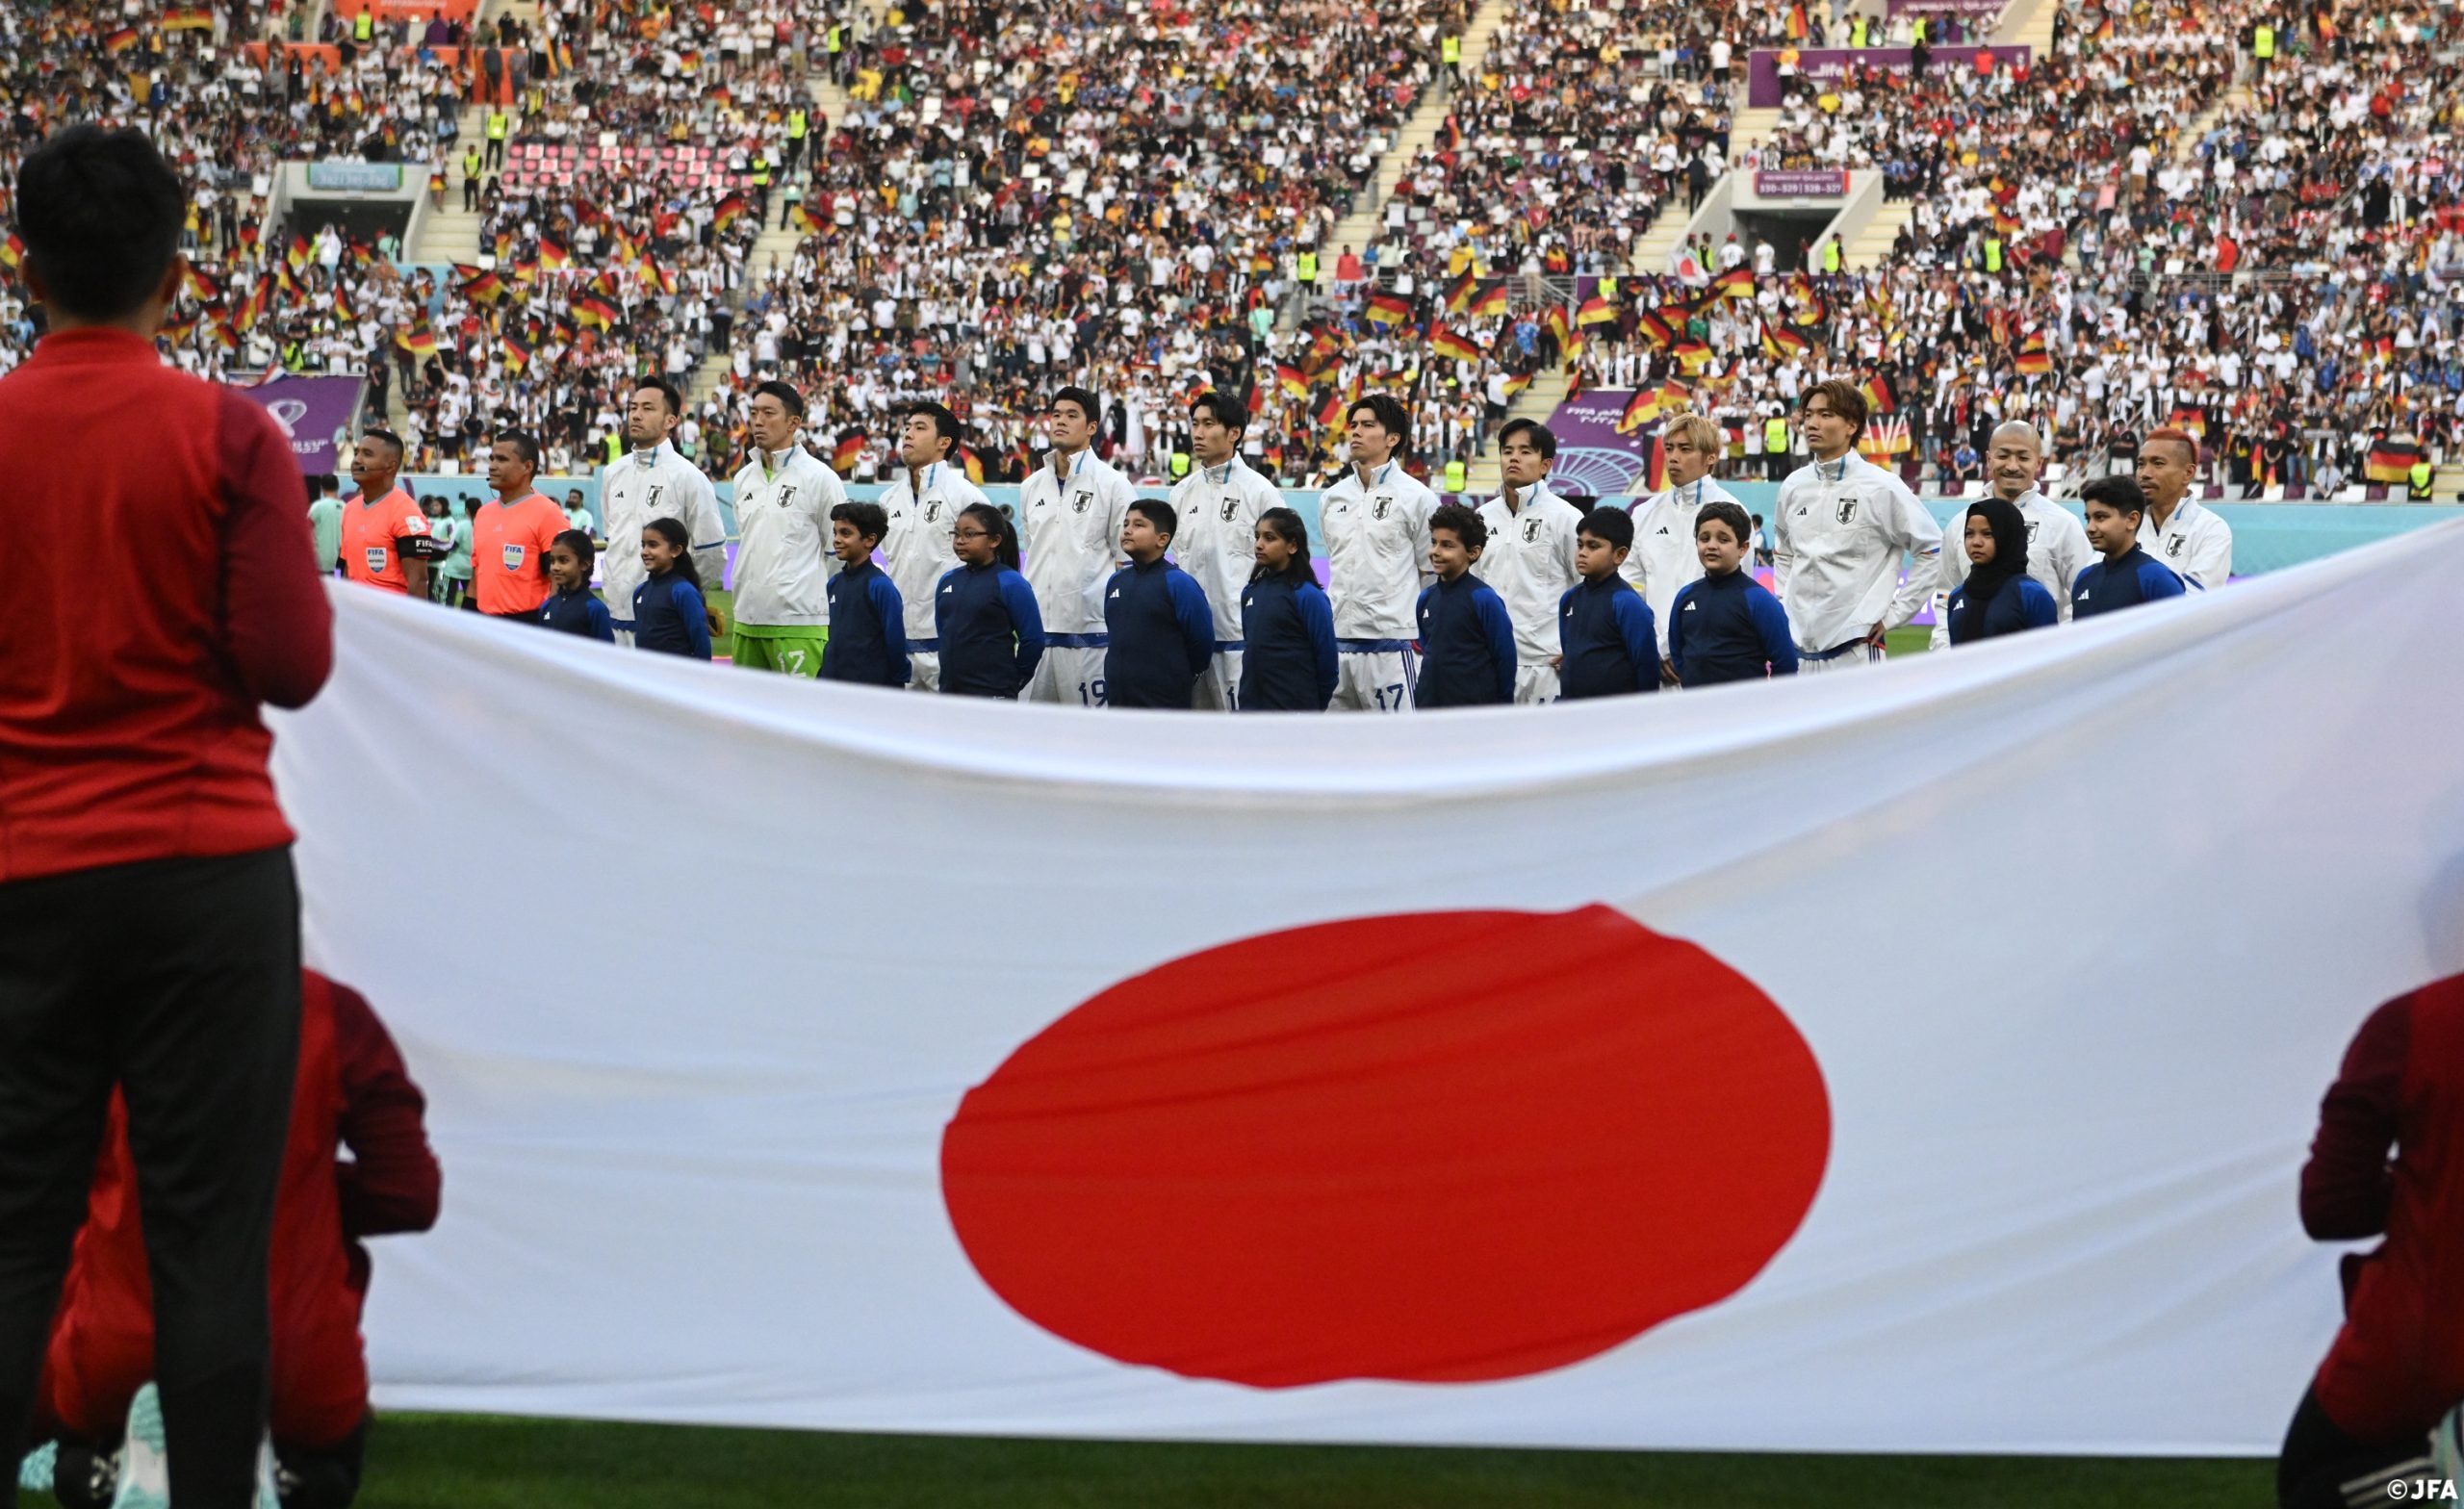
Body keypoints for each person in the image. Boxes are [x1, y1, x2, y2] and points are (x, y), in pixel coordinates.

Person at [0, 122, 332, 1509]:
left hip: (21, 872)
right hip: (205, 870)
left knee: (15, 1242)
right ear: (178, 273)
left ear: (26, 267)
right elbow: (292, 665)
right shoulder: (230, 433)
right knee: (208, 1245)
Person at [36, 969, 439, 1509]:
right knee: (329, 1464)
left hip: (124, 1342)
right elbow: (409, 1194)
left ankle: (114, 1467)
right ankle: (281, 1473)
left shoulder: (89, 1014)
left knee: (70, 1454)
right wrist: (301, 1190)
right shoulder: (334, 1014)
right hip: (289, 1351)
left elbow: (43, 1184)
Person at [2279, 971, 2464, 1508]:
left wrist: (2420, 1191)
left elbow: (2330, 1207)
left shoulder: (2414, 1025)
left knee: (2318, 1492)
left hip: (2420, 1361)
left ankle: (2448, 1484)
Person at [1769, 379, 1942, 672]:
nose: (1812, 423)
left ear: (1851, 425)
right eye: (1809, 414)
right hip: (1797, 652)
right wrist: (1784, 604)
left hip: (1856, 653)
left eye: (1825, 415)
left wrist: (1894, 615)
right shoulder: (1793, 486)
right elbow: (1784, 553)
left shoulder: (1882, 486)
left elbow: (1934, 549)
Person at [1321, 395, 1437, 711]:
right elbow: (1338, 559)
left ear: (1393, 438)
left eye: (1367, 425)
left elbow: (1433, 573)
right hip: (1337, 644)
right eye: (1353, 424)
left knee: (1398, 751)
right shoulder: (1332, 498)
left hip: (1392, 647)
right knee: (1334, 752)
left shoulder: (1418, 498)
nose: (1355, 431)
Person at [1929, 422, 2092, 648]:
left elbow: (2084, 597)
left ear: (2039, 462)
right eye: (2003, 456)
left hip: (2036, 667)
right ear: (1988, 459)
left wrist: (2058, 651)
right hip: (1969, 670)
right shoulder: (1960, 525)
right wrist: (1943, 651)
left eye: (2023, 458)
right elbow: (1946, 595)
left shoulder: (2064, 524)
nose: (2012, 466)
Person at [1019, 388, 1132, 706]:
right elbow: (1035, 550)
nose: (1061, 421)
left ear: (1092, 427)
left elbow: (1126, 563)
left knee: (1091, 743)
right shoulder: (1030, 487)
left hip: (1091, 640)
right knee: (1027, 745)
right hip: (1037, 636)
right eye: (1056, 415)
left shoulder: (1113, 485)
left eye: (1072, 415)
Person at [1167, 391, 1277, 710]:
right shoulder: (1181, 493)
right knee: (1192, 748)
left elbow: (1281, 567)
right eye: (1195, 423)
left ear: (1234, 433)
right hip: (1188, 645)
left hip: (1239, 645)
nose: (1198, 432)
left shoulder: (1260, 492)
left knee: (1241, 745)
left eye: (1209, 424)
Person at [600, 377, 726, 648]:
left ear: (671, 421)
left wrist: (678, 598)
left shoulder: (689, 477)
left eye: (647, 408)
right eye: (633, 407)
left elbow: (712, 553)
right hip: (614, 620)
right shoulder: (613, 474)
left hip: (664, 625)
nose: (636, 414)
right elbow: (613, 541)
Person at [728, 380, 841, 678]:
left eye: (768, 413)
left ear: (793, 423)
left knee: (802, 718)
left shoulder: (821, 479)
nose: (758, 421)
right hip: (747, 620)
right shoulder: (743, 479)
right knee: (747, 720)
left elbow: (838, 554)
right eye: (754, 413)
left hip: (799, 624)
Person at [879, 401, 990, 694]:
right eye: (907, 428)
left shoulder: (966, 496)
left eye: (919, 428)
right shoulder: (888, 501)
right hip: (899, 646)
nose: (907, 435)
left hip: (951, 646)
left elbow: (989, 568)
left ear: (944, 443)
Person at [1472, 419, 1583, 704]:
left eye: (1525, 451)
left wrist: (1578, 649)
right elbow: (1470, 589)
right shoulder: (1480, 519)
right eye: (1507, 450)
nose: (1513, 458)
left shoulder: (1566, 518)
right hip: (1489, 663)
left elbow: (1588, 589)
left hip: (1547, 665)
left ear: (1545, 464)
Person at [1621, 413, 1727, 686]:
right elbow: (1631, 590)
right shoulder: (1644, 514)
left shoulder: (1732, 513)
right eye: (1669, 448)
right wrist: (1650, 649)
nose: (1673, 456)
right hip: (1650, 663)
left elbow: (1733, 594)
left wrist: (1680, 649)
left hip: (1708, 664)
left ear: (1711, 457)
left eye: (1685, 448)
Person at [1101, 499, 1216, 710]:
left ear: (1162, 539)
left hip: (1164, 706)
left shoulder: (1179, 583)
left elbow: (1202, 642)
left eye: (1138, 525)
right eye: (1126, 524)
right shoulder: (1116, 581)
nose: (1127, 530)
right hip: (1118, 704)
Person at [1670, 500, 1799, 687]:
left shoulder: (1759, 600)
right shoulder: (1686, 596)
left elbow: (1785, 663)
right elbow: (1678, 654)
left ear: (1743, 548)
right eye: (1704, 538)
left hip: (1746, 712)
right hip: (1695, 711)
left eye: (1723, 539)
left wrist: (1769, 706)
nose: (1712, 546)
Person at [936, 502, 1045, 700]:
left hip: (993, 694)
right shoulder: (947, 580)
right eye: (956, 534)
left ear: (994, 540)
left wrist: (1014, 680)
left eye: (969, 534)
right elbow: (943, 632)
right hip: (950, 694)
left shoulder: (1011, 582)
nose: (959, 541)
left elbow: (1033, 640)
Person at [1412, 503, 1516, 709]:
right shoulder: (1425, 598)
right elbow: (1429, 650)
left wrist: (1503, 711)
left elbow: (1505, 659)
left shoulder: (1484, 599)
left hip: (1473, 717)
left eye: (1447, 545)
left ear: (1473, 552)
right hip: (1429, 712)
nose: (1435, 551)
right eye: (1434, 542)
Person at [1237, 507, 1338, 713]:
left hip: (1294, 713)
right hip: (1252, 711)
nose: (1259, 544)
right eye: (1257, 537)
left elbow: (1327, 663)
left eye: (1269, 538)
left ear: (1292, 546)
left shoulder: (1308, 596)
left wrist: (1312, 708)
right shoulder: (1250, 592)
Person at [1557, 508, 1660, 701]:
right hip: (1573, 714)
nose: (1582, 553)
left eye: (1593, 546)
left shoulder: (1627, 603)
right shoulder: (1569, 599)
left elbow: (1647, 666)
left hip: (1616, 719)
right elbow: (1569, 652)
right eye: (1580, 545)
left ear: (1619, 555)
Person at [471, 432, 566, 621]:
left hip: (527, 624)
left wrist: (550, 623)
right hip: (484, 624)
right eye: (491, 459)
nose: (492, 466)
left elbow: (560, 580)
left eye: (502, 459)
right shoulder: (483, 513)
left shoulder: (548, 513)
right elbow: (476, 576)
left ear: (527, 466)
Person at [337, 429, 440, 600]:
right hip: (357, 618)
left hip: (388, 620)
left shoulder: (407, 513)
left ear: (391, 466)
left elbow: (419, 582)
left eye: (367, 454)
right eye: (357, 453)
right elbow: (350, 570)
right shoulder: (350, 509)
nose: (357, 460)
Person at [1942, 497, 2059, 646]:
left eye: (1987, 534)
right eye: (1969, 533)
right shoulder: (1958, 596)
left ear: (2007, 537)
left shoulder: (2032, 595)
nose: (1976, 542)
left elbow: (2048, 658)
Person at [2070, 476, 2189, 619]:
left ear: (2132, 520)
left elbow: (2183, 636)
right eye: (2088, 519)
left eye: (2100, 517)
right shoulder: (2085, 578)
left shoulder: (2157, 578)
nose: (2090, 528)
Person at [819, 502, 909, 687]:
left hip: (870, 690)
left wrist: (897, 681)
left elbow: (895, 641)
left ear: (869, 540)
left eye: (845, 533)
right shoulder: (834, 584)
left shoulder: (880, 587)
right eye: (835, 532)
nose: (836, 539)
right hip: (834, 686)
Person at [2134, 426, 2234, 589]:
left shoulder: (2211, 529)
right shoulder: (2127, 525)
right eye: (2140, 464)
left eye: (2158, 464)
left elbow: (2193, 600)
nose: (2145, 473)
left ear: (2188, 473)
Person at [632, 517, 713, 660]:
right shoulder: (640, 591)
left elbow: (701, 642)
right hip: (647, 678)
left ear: (675, 550)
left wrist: (702, 679)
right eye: (643, 545)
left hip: (676, 678)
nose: (644, 552)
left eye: (653, 545)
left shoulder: (683, 591)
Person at [537, 529, 614, 642]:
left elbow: (607, 654)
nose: (555, 567)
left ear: (584, 564)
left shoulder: (595, 609)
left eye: (563, 561)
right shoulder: (547, 606)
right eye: (552, 561)